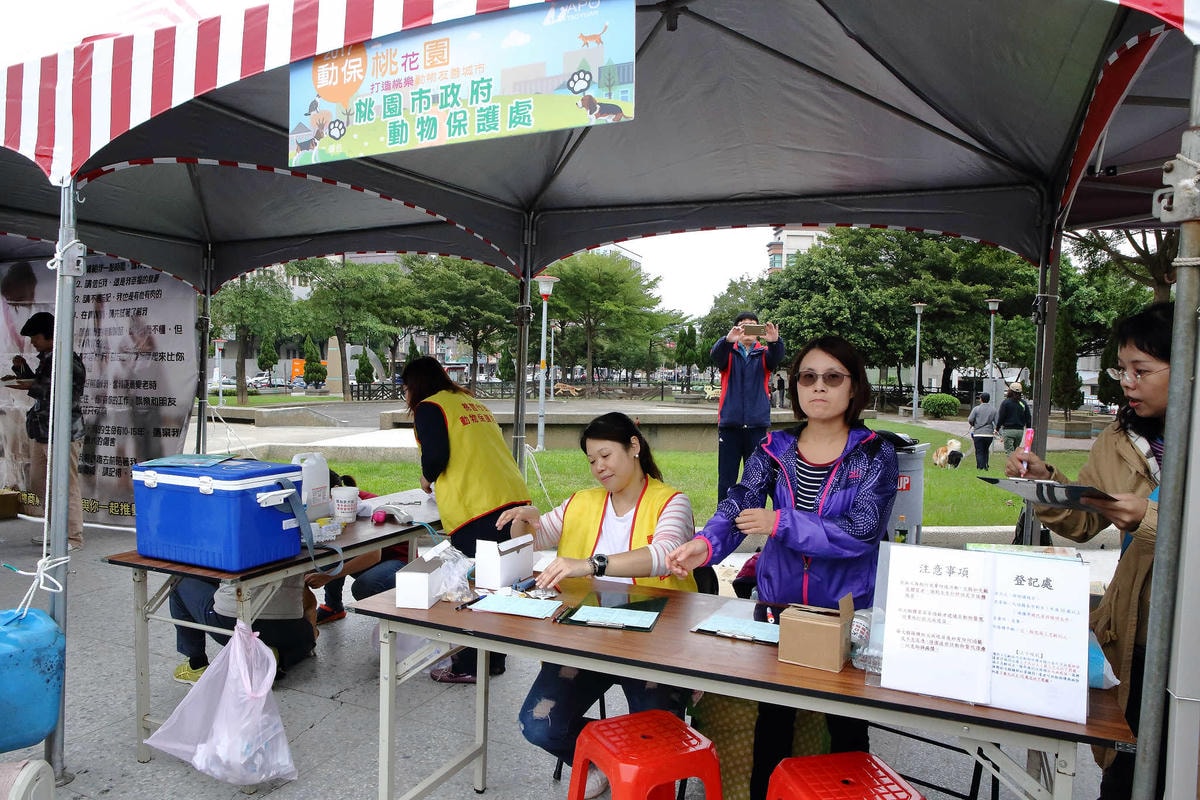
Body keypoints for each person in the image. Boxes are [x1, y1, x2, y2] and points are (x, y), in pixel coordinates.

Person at [668, 335, 898, 800]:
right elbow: (742, 501)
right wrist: (706, 544)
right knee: (773, 720)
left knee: (848, 726)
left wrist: (782, 522)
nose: (818, 387)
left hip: (846, 611)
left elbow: (860, 532)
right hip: (778, 605)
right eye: (807, 377)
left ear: (854, 389)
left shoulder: (876, 454)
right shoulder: (776, 448)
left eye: (832, 377)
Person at [1004, 301, 1171, 799]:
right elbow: (1084, 519)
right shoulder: (1118, 440)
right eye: (1123, 369)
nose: (1127, 382)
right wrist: (1045, 485)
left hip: (1190, 642)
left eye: (1141, 370)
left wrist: (1150, 519)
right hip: (1138, 633)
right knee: (1128, 770)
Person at [497, 412, 697, 800]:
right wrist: (525, 521)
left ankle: (631, 762)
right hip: (586, 639)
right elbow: (535, 538)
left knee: (659, 737)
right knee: (539, 724)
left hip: (653, 643)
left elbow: (666, 553)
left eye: (605, 455)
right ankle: (608, 761)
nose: (598, 468)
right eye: (591, 460)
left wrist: (592, 564)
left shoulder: (673, 502)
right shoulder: (582, 503)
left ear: (634, 446)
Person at [403, 356, 531, 683]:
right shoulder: (469, 402)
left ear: (414, 385)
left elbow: (436, 456)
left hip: (478, 506)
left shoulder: (430, 407)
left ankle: (471, 665)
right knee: (498, 583)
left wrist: (426, 478)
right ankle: (495, 659)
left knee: (474, 586)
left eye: (405, 387)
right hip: (512, 496)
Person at [3, 312, 86, 550]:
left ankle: (72, 537)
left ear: (50, 335)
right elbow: (40, 384)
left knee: (66, 486)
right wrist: (21, 370)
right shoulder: (48, 358)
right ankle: (56, 531)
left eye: (35, 337)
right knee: (42, 485)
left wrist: (18, 381)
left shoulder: (68, 359)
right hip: (42, 431)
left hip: (64, 432)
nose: (32, 342)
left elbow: (48, 387)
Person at [169, 575, 316, 684]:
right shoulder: (297, 534)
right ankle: (275, 657)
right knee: (308, 635)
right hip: (290, 625)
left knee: (180, 580)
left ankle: (196, 664)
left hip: (235, 621)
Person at [710, 311, 785, 503]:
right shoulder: (729, 353)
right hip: (730, 426)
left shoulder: (764, 354)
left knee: (757, 476)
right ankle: (724, 518)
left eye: (753, 325)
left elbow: (776, 357)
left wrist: (775, 342)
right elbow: (716, 356)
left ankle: (755, 516)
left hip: (756, 425)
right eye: (744, 325)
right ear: (737, 329)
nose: (748, 328)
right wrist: (728, 340)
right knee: (726, 478)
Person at [314, 470, 402, 624]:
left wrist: (327, 576)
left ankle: (399, 619)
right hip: (373, 559)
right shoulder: (333, 506)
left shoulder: (367, 506)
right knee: (328, 556)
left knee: (365, 586)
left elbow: (374, 555)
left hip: (398, 561)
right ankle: (332, 607)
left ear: (335, 490)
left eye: (319, 496)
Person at [996, 381, 1031, 454]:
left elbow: (1001, 417)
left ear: (1010, 391)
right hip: (1020, 431)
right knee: (1016, 451)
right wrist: (1028, 428)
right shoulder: (1023, 403)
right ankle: (1016, 464)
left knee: (1009, 452)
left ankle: (1014, 465)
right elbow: (1028, 417)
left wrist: (997, 428)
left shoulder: (1005, 403)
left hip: (1008, 430)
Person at [967, 392, 998, 470]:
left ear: (981, 399)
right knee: (985, 450)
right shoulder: (993, 410)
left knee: (979, 451)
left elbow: (970, 419)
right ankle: (985, 465)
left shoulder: (976, 409)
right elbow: (997, 422)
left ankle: (980, 467)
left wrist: (973, 424)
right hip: (989, 434)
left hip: (978, 433)